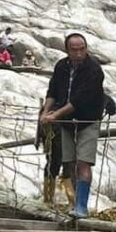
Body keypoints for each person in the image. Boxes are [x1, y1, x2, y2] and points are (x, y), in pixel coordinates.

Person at [41, 33, 107, 218]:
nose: (79, 53)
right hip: (66, 122)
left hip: (87, 120)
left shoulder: (94, 70)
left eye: (82, 49)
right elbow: (53, 90)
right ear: (67, 50)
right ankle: (72, 201)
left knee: (83, 163)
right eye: (74, 50)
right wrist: (46, 111)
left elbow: (79, 99)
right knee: (69, 162)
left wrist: (55, 115)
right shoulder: (61, 67)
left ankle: (81, 207)